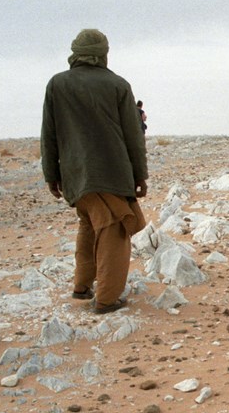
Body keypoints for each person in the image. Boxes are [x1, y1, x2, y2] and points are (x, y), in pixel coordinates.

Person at [41, 28, 148, 314]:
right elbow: (132, 137)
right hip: (112, 173)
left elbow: (48, 135)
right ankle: (107, 299)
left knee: (88, 223)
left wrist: (51, 174)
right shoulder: (118, 85)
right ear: (104, 53)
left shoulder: (57, 85)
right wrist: (140, 175)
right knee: (115, 230)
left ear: (75, 52)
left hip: (76, 175)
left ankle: (82, 286)